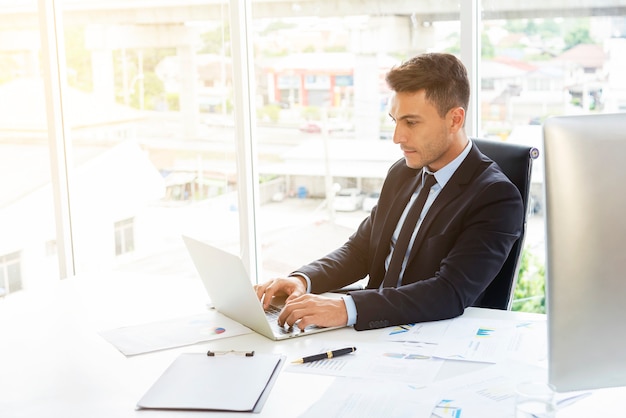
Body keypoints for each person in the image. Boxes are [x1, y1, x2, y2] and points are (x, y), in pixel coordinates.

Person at [254, 52, 524, 331]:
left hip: (425, 337)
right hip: (372, 329)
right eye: (394, 120)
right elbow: (361, 251)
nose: (397, 137)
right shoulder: (403, 172)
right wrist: (303, 280)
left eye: (411, 122)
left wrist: (346, 309)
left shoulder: (496, 198)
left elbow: (449, 292)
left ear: (455, 119)